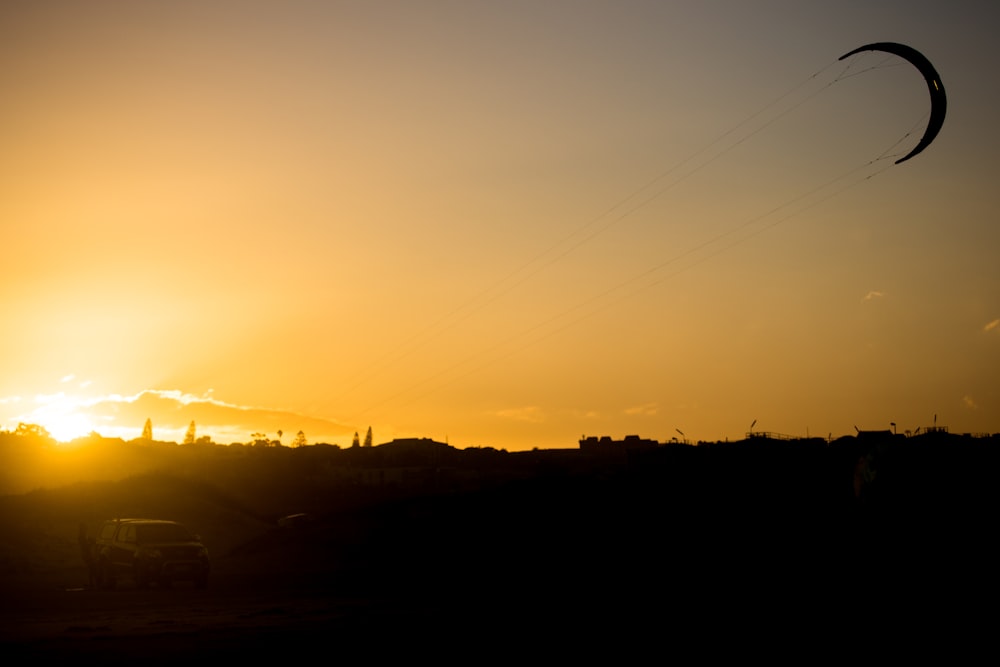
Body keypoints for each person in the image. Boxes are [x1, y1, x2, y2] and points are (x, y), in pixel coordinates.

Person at [78, 522, 97, 589]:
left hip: (86, 554)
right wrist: (92, 543)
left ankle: (91, 583)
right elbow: (85, 546)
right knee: (92, 567)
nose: (87, 529)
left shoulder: (83, 535)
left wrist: (92, 541)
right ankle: (92, 583)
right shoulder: (82, 536)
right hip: (86, 554)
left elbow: (89, 540)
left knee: (91, 568)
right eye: (86, 528)